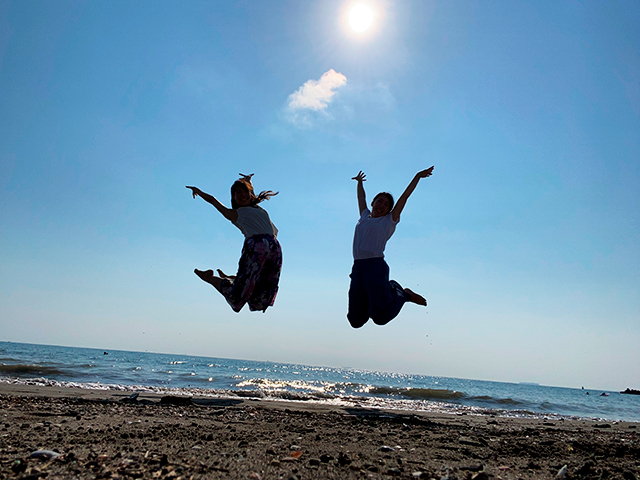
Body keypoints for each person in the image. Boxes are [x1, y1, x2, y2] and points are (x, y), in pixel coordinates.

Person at [347, 167, 434, 328]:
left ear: (389, 210)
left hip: (375, 267)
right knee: (356, 321)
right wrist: (359, 183)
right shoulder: (364, 216)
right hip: (358, 267)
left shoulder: (389, 220)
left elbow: (405, 197)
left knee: (381, 317)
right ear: (373, 202)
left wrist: (417, 176)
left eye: (387, 204)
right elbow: (361, 197)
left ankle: (402, 293)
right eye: (379, 201)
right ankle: (373, 304)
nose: (382, 205)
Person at [186, 174, 282, 313]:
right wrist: (198, 191)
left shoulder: (256, 207)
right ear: (233, 198)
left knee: (261, 296)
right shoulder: (235, 214)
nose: (242, 195)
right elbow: (213, 201)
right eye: (237, 193)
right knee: (237, 297)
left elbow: (249, 192)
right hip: (256, 249)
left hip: (274, 249)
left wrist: (248, 181)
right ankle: (211, 278)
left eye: (244, 192)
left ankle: (236, 279)